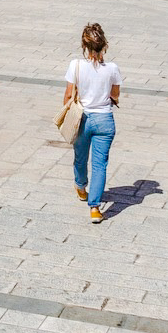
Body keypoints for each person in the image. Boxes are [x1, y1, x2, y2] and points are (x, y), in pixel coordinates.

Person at [61, 23, 122, 224]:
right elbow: (115, 95)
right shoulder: (112, 69)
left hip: (82, 119)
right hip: (105, 120)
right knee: (100, 164)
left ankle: (80, 186)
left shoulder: (75, 65)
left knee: (80, 156)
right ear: (104, 45)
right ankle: (95, 208)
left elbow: (68, 95)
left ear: (84, 46)